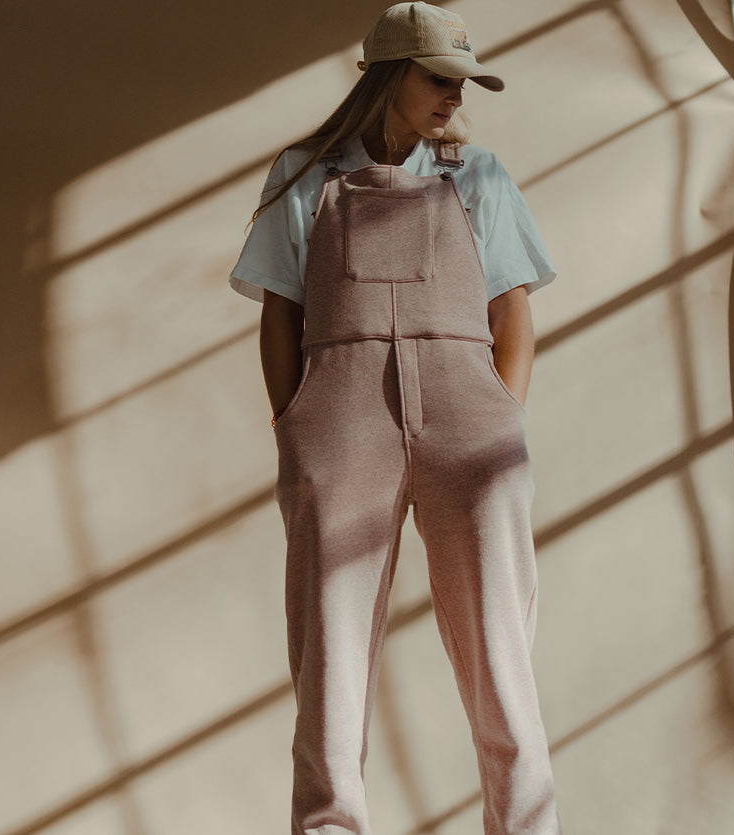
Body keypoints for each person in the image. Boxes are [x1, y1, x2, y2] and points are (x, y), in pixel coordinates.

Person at [230, 4, 562, 832]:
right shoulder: (305, 174)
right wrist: (294, 421)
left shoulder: (478, 174)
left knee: (499, 654)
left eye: (462, 82)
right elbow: (280, 313)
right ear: (388, 75)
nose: (454, 96)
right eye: (437, 78)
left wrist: (499, 417)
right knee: (330, 654)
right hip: (338, 418)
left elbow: (512, 315)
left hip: (470, 420)